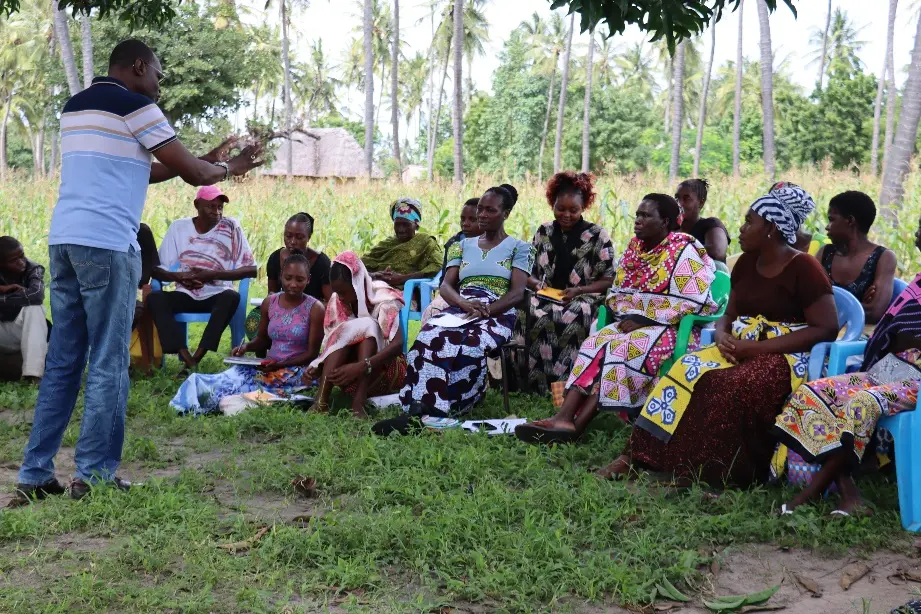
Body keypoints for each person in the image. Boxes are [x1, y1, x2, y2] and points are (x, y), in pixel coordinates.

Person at [15, 39, 263, 503]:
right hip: (109, 245)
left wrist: (199, 159)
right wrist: (231, 165)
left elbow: (144, 171)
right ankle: (93, 475)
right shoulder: (137, 106)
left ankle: (34, 475)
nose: (159, 85)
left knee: (65, 360)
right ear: (138, 66)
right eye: (158, 75)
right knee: (109, 361)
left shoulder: (76, 108)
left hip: (65, 241)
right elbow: (199, 177)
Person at [596, 183, 839, 486]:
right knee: (685, 370)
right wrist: (723, 334)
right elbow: (727, 314)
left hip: (786, 355)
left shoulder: (804, 266)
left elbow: (826, 327)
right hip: (738, 344)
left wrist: (753, 350)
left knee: (729, 384)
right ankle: (636, 456)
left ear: (771, 229)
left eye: (750, 221)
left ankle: (710, 473)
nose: (741, 227)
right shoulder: (746, 263)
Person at [515, 194, 718, 443]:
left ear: (665, 221)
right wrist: (632, 314)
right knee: (594, 344)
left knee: (619, 349)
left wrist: (647, 318)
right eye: (638, 215)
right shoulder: (635, 249)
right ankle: (564, 417)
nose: (638, 221)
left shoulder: (684, 249)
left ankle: (575, 426)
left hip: (674, 329)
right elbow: (618, 293)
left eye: (646, 216)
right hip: (633, 322)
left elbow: (692, 301)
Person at [773, 215, 921, 516]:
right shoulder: (919, 281)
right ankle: (848, 493)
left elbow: (904, 332)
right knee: (814, 392)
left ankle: (810, 494)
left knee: (862, 402)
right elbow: (892, 330)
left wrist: (907, 339)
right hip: (890, 370)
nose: (916, 234)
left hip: (915, 379)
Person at [380, 184, 533, 433]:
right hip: (461, 307)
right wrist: (463, 304)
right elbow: (446, 286)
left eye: (490, 210)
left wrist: (486, 310)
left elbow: (517, 293)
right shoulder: (460, 246)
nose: (482, 215)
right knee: (428, 335)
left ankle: (451, 405)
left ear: (505, 213)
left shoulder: (520, 248)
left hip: (498, 312)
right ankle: (423, 410)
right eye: (480, 209)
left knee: (461, 343)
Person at [170, 252, 324, 416]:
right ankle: (196, 397)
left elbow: (311, 354)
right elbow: (263, 340)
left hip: (296, 371)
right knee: (228, 378)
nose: (293, 284)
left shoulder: (315, 308)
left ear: (308, 279)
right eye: (288, 278)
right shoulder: (270, 302)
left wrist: (280, 365)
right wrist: (246, 347)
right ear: (281, 277)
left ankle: (231, 402)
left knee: (248, 386)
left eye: (299, 280)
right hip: (268, 366)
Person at [524, 171, 616, 394]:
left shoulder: (597, 235)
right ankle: (536, 386)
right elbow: (526, 271)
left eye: (573, 210)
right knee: (531, 311)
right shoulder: (543, 231)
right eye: (560, 209)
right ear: (551, 204)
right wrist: (537, 286)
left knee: (572, 315)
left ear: (583, 206)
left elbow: (609, 278)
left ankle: (567, 390)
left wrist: (580, 290)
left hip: (584, 296)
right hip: (547, 294)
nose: (566, 214)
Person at [148, 185, 257, 371]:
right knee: (155, 298)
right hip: (185, 294)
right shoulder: (179, 228)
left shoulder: (231, 226)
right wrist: (180, 277)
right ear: (197, 205)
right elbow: (157, 270)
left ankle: (196, 358)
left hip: (217, 294)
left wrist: (212, 275)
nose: (217, 212)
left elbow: (251, 270)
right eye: (211, 207)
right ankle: (185, 356)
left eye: (220, 207)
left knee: (232, 297)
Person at [305, 252, 406, 418]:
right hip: (348, 376)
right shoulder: (337, 301)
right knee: (346, 330)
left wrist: (362, 366)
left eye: (344, 292)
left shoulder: (383, 299)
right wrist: (318, 366)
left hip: (385, 372)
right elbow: (332, 341)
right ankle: (321, 401)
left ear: (357, 283)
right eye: (337, 292)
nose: (341, 298)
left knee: (368, 326)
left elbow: (398, 344)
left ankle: (358, 404)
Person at [816, 191, 896, 325]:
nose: (827, 227)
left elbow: (875, 312)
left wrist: (825, 302)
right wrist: (856, 306)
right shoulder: (825, 253)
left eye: (831, 219)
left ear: (850, 221)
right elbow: (804, 301)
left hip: (855, 339)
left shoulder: (883, 257)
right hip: (823, 331)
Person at [420, 198, 482, 324]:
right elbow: (445, 282)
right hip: (455, 294)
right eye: (463, 219)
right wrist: (460, 300)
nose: (465, 223)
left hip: (487, 296)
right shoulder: (455, 243)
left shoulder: (499, 245)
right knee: (433, 310)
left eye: (472, 220)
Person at [363, 197, 443, 289]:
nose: (401, 229)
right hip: (376, 287)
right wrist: (376, 275)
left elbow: (438, 265)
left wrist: (401, 279)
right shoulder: (386, 244)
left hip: (407, 293)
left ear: (416, 225)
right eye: (397, 224)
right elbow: (362, 264)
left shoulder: (426, 242)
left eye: (406, 224)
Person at [0, 236, 47, 383]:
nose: (22, 262)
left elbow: (36, 295)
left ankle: (32, 375)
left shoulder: (33, 268)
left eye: (22, 256)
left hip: (19, 331)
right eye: (14, 260)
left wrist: (4, 297)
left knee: (35, 308)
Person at [266, 213, 332, 302]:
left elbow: (331, 302)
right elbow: (272, 294)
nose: (292, 242)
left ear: (309, 237)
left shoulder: (322, 262)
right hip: (283, 310)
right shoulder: (275, 258)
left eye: (299, 237)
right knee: (254, 315)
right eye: (288, 236)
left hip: (314, 312)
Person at [675, 178, 730, 270]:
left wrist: (674, 249)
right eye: (677, 198)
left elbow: (717, 253)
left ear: (701, 202)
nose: (679, 204)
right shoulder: (671, 228)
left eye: (686, 198)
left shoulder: (711, 224)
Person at [131, 223, 160, 373]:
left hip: (128, 297)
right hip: (98, 295)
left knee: (138, 309)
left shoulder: (141, 231)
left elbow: (152, 270)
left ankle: (144, 362)